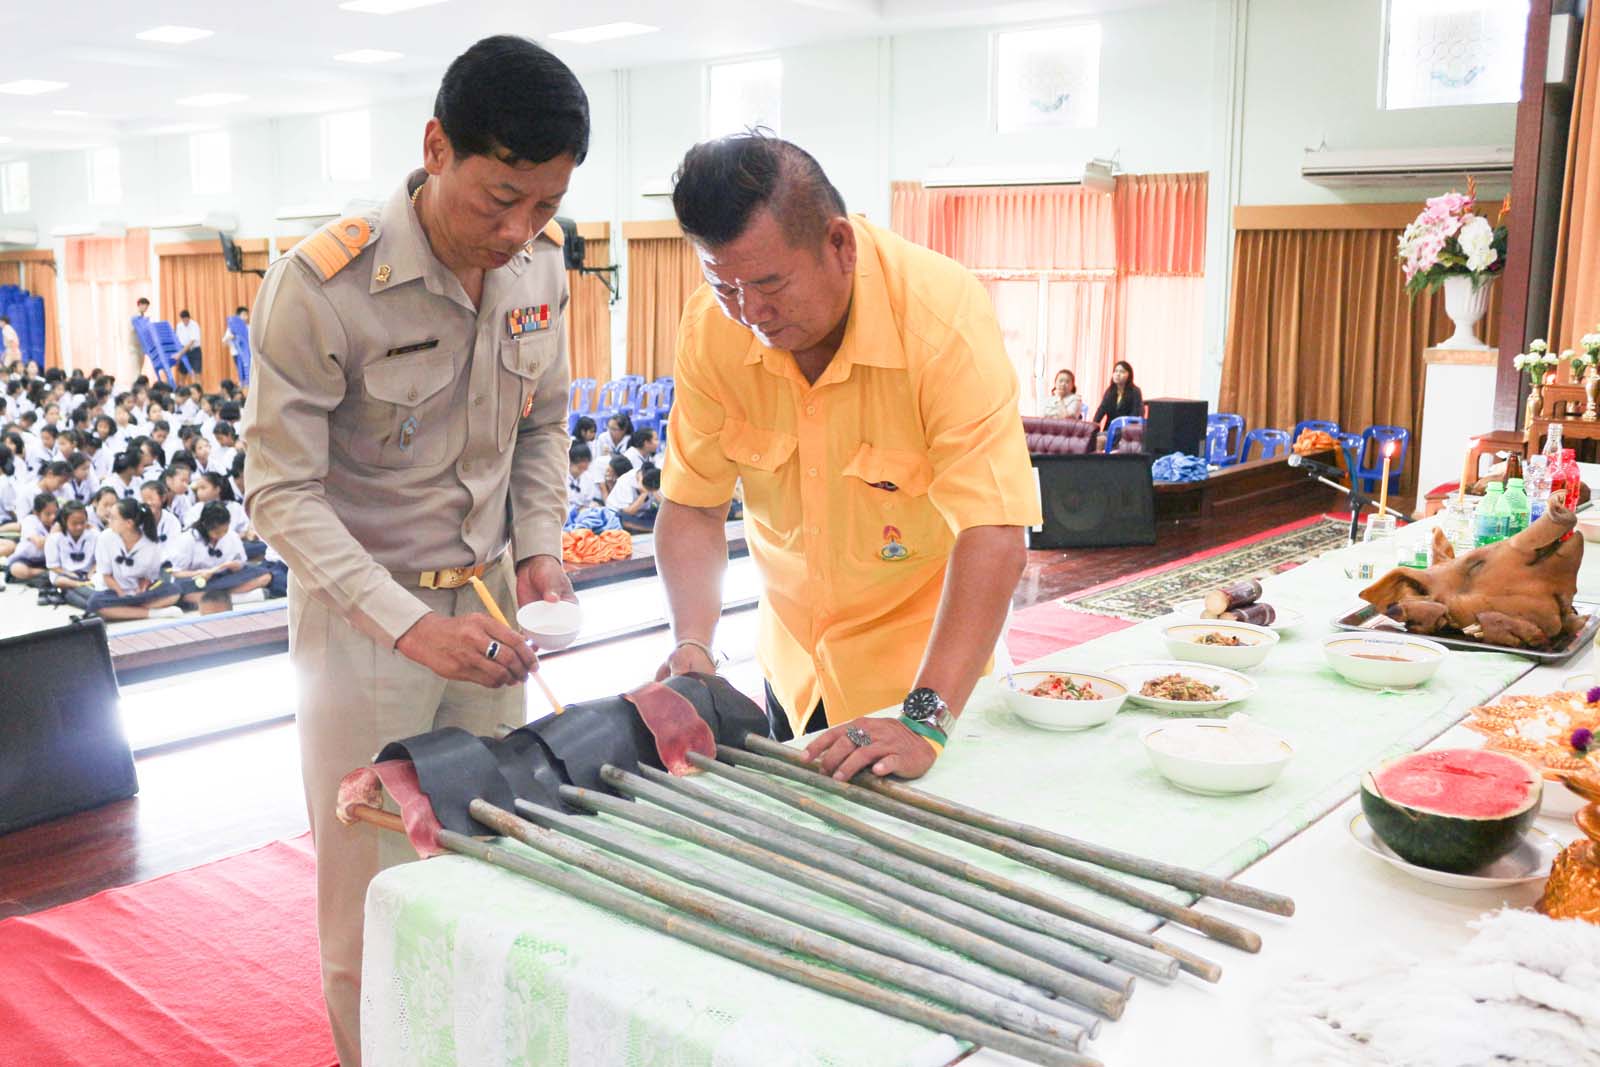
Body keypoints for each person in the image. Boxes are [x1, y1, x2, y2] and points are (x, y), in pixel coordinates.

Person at [240, 35, 587, 1065]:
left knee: (486, 854)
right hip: (363, 627)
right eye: (500, 199)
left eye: (546, 206)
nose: (517, 231)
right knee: (369, 890)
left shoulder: (540, 267)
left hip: (492, 615)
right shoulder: (323, 285)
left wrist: (539, 545)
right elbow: (278, 489)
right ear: (436, 148)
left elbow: (543, 423)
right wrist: (406, 626)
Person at [654, 132, 1040, 780]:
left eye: (771, 284)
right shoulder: (712, 329)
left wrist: (923, 721)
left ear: (839, 245)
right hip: (794, 672)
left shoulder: (940, 319)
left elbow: (994, 532)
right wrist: (693, 641)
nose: (752, 313)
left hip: (924, 682)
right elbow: (693, 505)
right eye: (725, 287)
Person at [166, 502, 272, 612]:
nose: (221, 535)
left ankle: (220, 598)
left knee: (265, 575)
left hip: (225, 577)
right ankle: (236, 598)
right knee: (181, 591)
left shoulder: (232, 536)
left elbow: (241, 562)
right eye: (216, 532)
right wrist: (199, 573)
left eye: (225, 530)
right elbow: (175, 573)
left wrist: (236, 565)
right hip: (199, 581)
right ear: (205, 525)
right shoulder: (188, 539)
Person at [87, 499, 182, 620]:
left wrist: (142, 588)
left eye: (114, 518)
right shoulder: (105, 538)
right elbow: (106, 575)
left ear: (129, 523)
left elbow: (148, 575)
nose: (109, 520)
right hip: (113, 591)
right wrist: (121, 594)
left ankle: (126, 611)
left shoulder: (150, 543)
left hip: (138, 593)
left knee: (174, 591)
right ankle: (152, 613)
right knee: (95, 602)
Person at [5, 492, 57, 584]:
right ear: (36, 513)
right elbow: (39, 543)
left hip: (47, 561)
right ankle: (46, 574)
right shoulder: (30, 521)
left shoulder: (59, 522)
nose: (53, 517)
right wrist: (55, 531)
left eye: (55, 513)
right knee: (17, 569)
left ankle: (47, 576)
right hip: (25, 560)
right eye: (48, 514)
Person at [608, 463, 661, 533]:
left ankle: (651, 528)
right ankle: (651, 529)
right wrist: (644, 494)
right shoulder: (625, 481)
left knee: (662, 514)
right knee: (624, 520)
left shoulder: (655, 477)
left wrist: (654, 492)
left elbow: (663, 504)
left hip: (642, 513)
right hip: (620, 514)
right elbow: (629, 511)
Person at [1091, 360, 1143, 430]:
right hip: (1110, 429)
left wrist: (1123, 428)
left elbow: (1135, 414)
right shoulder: (1110, 391)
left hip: (1126, 430)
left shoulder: (1135, 391)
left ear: (1129, 375)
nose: (1118, 374)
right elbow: (1101, 410)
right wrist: (1093, 426)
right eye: (1116, 371)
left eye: (1122, 372)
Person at [128, 297, 152, 386]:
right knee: (135, 371)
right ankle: (134, 389)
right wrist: (143, 324)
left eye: (147, 306)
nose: (146, 308)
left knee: (140, 370)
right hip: (134, 347)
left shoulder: (143, 317)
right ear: (140, 305)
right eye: (145, 306)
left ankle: (138, 388)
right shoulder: (134, 316)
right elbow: (132, 330)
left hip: (141, 347)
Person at [175, 310, 203, 379]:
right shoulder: (179, 325)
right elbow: (177, 339)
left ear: (189, 318)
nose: (185, 322)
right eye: (183, 320)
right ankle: (181, 386)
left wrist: (180, 353)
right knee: (182, 374)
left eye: (186, 320)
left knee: (197, 373)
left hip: (194, 351)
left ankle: (197, 386)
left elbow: (192, 341)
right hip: (183, 351)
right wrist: (178, 352)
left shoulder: (194, 325)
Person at [567, 440, 592, 511]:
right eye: (582, 461)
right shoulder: (561, 476)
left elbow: (588, 503)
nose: (585, 464)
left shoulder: (588, 478)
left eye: (587, 461)